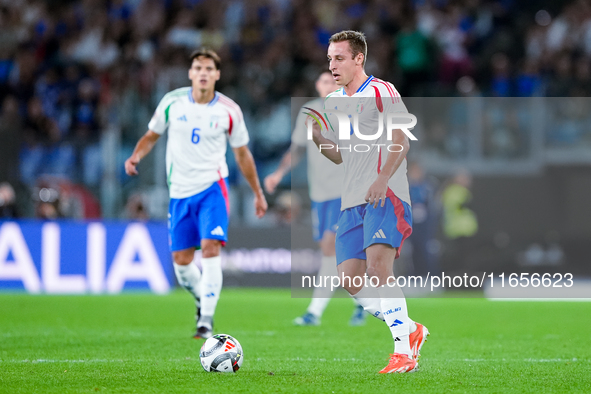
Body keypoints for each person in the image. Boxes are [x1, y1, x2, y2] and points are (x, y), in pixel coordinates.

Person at [124, 48, 268, 339]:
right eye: (198, 68)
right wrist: (135, 156)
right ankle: (202, 297)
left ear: (217, 75)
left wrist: (258, 192)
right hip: (179, 193)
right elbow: (152, 135)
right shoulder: (172, 103)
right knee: (181, 262)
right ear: (191, 73)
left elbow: (242, 156)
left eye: (208, 69)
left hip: (213, 189)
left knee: (211, 248)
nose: (203, 73)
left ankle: (206, 320)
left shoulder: (229, 110)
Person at [310, 31, 429, 373]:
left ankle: (403, 353)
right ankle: (409, 329)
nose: (332, 65)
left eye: (339, 58)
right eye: (330, 58)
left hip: (385, 193)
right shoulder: (334, 102)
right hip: (351, 201)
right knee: (348, 279)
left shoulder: (381, 91)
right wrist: (319, 138)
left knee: (379, 271)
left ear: (358, 59)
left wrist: (381, 179)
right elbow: (339, 155)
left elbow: (401, 141)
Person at [264, 71, 366, 326]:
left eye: (333, 81)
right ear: (317, 86)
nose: (329, 85)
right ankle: (363, 303)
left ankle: (315, 311)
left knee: (331, 249)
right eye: (324, 81)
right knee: (333, 252)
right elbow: (296, 150)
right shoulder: (309, 112)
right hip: (319, 194)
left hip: (346, 192)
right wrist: (277, 174)